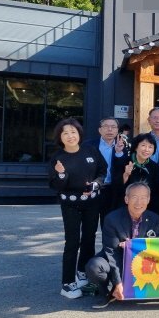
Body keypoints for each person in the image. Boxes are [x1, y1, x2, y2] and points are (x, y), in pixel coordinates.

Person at [49, 118, 107, 299]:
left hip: (92, 203)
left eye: (73, 132)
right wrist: (61, 174)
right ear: (60, 137)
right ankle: (67, 284)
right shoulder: (58, 158)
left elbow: (102, 171)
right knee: (72, 242)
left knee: (89, 238)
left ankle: (82, 272)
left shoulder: (90, 150)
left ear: (79, 134)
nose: (70, 136)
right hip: (70, 204)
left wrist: (96, 185)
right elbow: (55, 185)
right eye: (65, 133)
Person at [86, 182, 159, 307]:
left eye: (143, 198)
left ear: (148, 199)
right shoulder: (112, 219)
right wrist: (118, 283)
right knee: (94, 266)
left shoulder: (154, 218)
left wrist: (133, 247)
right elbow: (111, 252)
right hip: (117, 257)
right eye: (134, 197)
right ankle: (106, 293)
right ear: (126, 199)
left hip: (140, 262)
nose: (139, 202)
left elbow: (154, 248)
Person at [83, 116, 126, 227]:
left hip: (112, 190)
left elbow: (123, 168)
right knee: (89, 226)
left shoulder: (124, 146)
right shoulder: (88, 145)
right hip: (92, 189)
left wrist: (118, 152)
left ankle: (107, 245)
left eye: (113, 127)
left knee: (109, 226)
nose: (110, 130)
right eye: (106, 126)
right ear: (100, 130)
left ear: (117, 130)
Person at [111, 133, 159, 215]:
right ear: (136, 147)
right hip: (124, 208)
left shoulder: (155, 167)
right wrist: (126, 175)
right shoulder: (124, 162)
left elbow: (156, 191)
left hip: (145, 209)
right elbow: (115, 188)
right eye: (143, 145)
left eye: (150, 147)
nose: (146, 149)